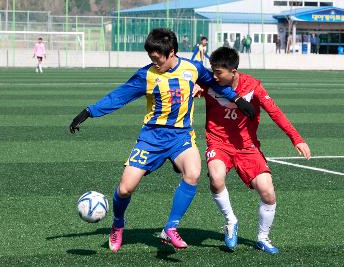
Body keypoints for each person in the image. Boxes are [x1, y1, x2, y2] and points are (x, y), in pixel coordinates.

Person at [69, 28, 255, 253]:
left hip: (181, 136)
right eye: (151, 58)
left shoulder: (192, 68)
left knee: (193, 173)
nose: (154, 62)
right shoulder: (146, 75)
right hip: (152, 138)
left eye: (157, 58)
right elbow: (119, 96)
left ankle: (170, 227)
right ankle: (118, 224)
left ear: (172, 52)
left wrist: (237, 99)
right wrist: (89, 112)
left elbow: (215, 83)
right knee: (126, 189)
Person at [196, 47, 311, 254]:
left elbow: (275, 113)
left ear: (233, 71)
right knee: (216, 178)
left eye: (218, 72)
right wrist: (195, 87)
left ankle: (262, 237)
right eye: (212, 71)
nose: (214, 76)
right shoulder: (210, 84)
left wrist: (296, 139)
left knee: (268, 192)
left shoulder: (253, 86)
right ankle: (231, 221)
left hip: (247, 146)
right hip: (218, 142)